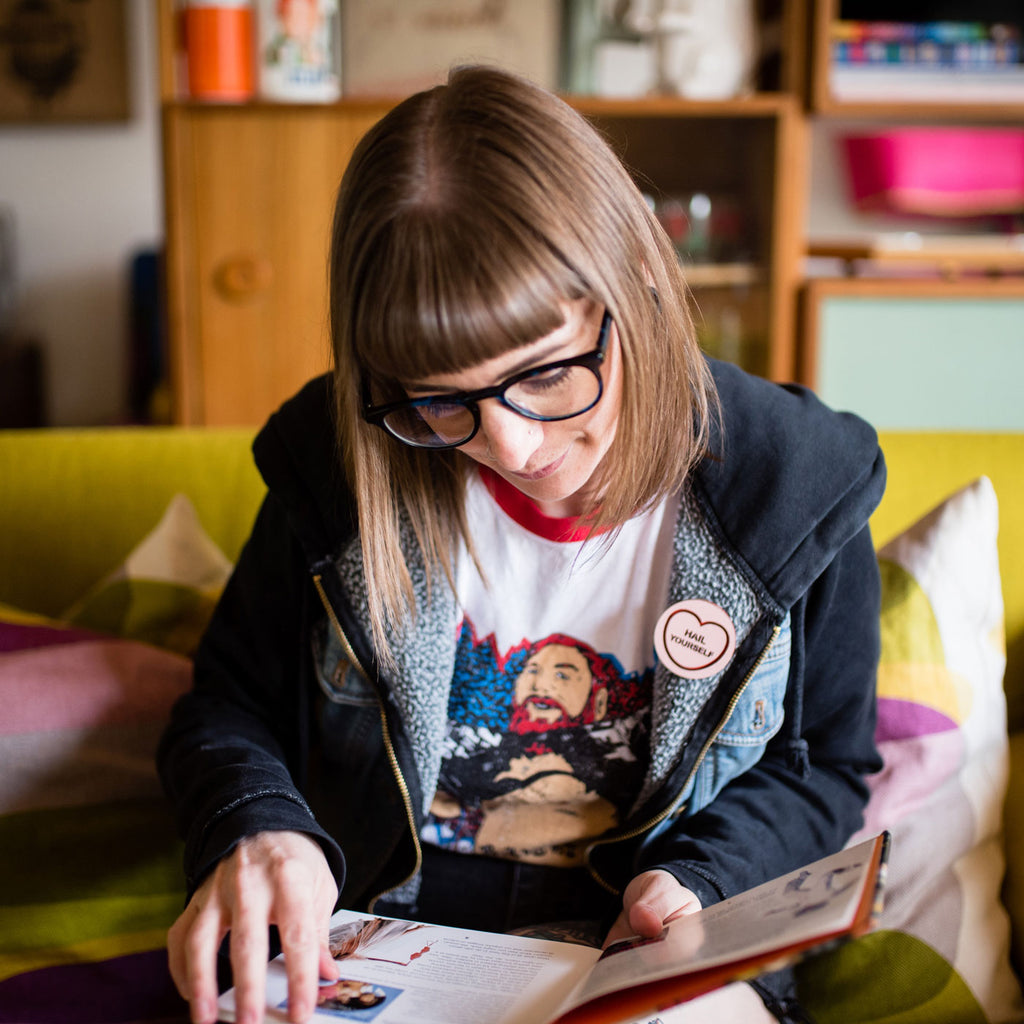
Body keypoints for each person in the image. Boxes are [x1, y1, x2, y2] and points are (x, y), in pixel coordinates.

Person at [158, 65, 885, 1024]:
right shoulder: (335, 468)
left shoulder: (797, 488)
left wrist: (703, 879)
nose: (511, 448)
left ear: (632, 287)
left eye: (546, 374)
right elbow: (228, 706)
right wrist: (259, 827)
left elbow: (825, 768)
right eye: (438, 397)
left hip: (645, 952)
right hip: (385, 934)